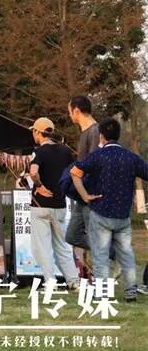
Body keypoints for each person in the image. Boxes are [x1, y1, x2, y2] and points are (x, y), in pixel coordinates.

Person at [70, 117, 147, 302]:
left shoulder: (97, 156)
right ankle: (130, 292)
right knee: (126, 254)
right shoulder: (131, 157)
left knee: (101, 256)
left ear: (101, 136)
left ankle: (102, 293)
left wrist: (85, 195)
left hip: (101, 213)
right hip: (123, 215)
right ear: (118, 135)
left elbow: (75, 173)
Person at [28, 117, 80, 290]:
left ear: (38, 132)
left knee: (41, 247)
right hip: (60, 205)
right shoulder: (65, 151)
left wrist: (39, 186)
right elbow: (75, 173)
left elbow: (33, 172)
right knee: (62, 246)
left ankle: (50, 283)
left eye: (34, 131)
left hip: (40, 206)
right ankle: (74, 281)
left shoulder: (39, 152)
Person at [64, 96, 99, 261]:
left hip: (91, 193)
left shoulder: (95, 131)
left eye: (70, 111)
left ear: (76, 110)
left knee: (95, 236)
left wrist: (76, 171)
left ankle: (112, 254)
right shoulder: (85, 132)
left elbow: (95, 163)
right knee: (72, 236)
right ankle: (112, 252)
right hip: (82, 194)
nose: (69, 115)